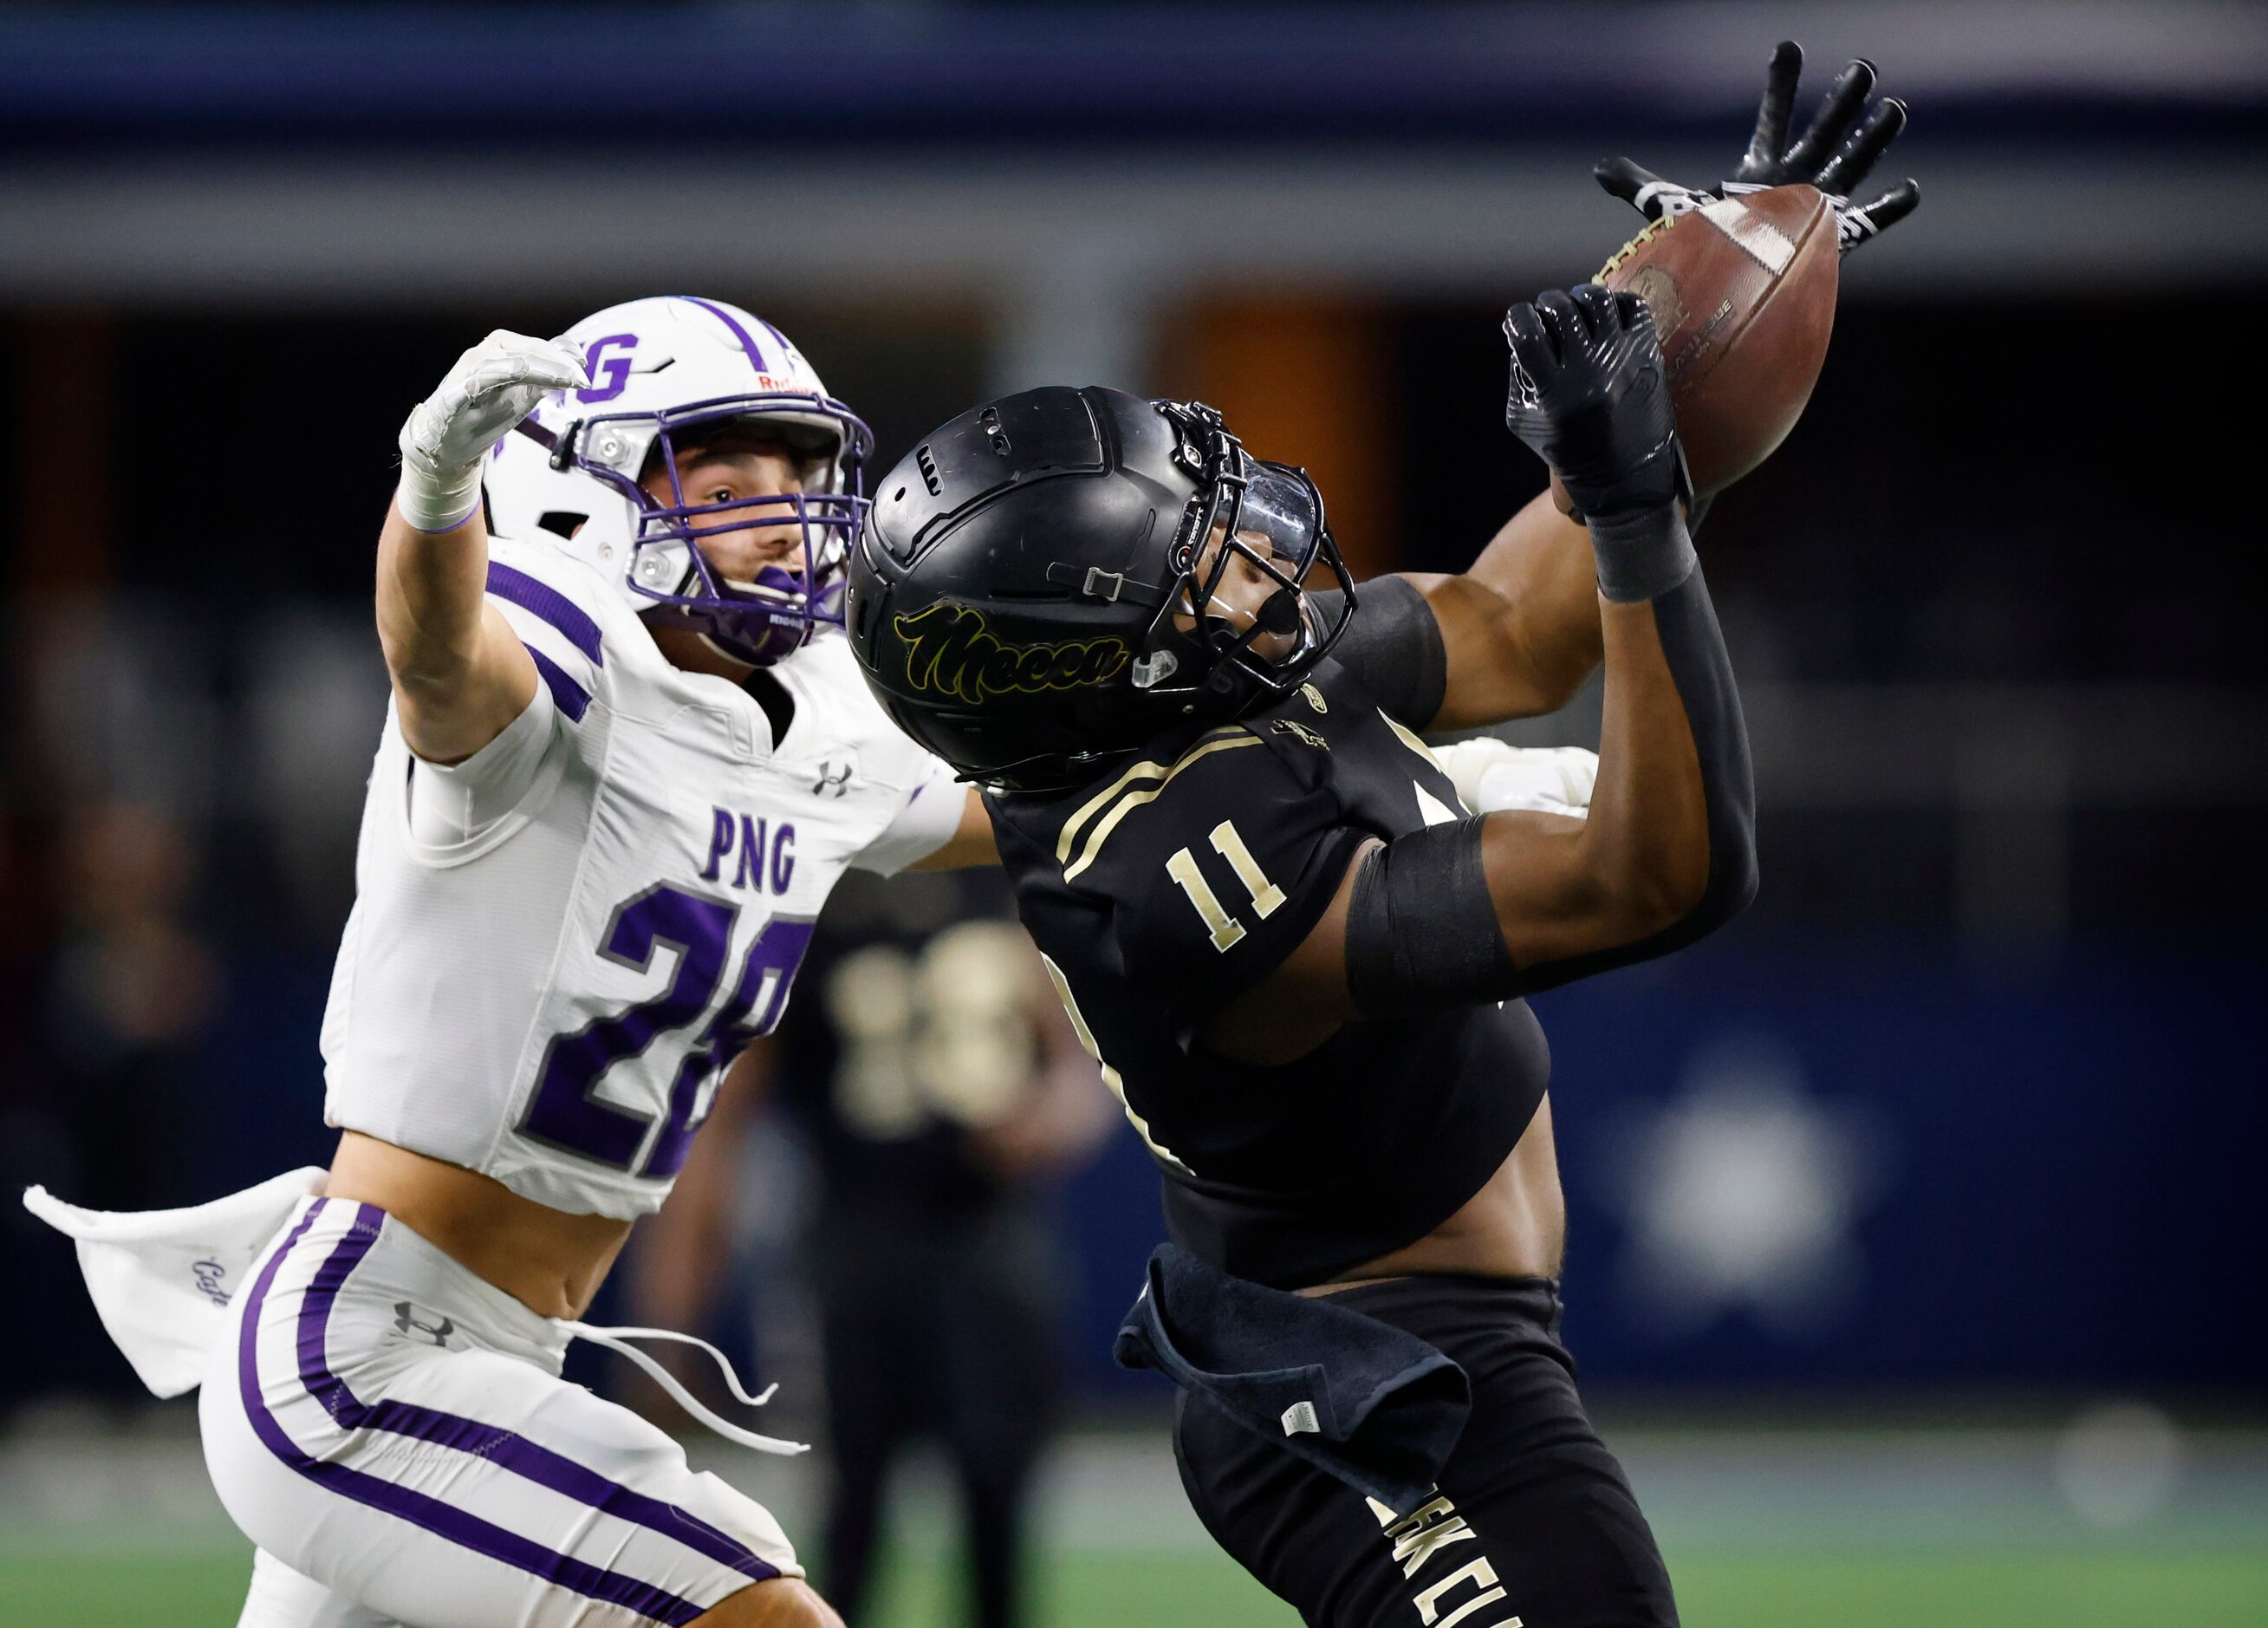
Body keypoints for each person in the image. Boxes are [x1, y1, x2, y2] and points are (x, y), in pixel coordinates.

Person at [844, 46, 1914, 1625]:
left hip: (1429, 1337)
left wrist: (1681, 331)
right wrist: (1625, 502)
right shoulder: (1174, 868)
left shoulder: (1189, 696)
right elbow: (1659, 872)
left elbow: (1513, 625)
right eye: (1193, 560)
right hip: (1370, 1389)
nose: (1255, 556)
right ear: (1106, 665)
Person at [30, 296, 1002, 1628]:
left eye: (802, 473)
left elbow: (1053, 813)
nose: (786, 513)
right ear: (582, 503)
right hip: (363, 1353)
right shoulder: (549, 678)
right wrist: (434, 498)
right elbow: (435, 658)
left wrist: (1276, 714)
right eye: (728, 480)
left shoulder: (809, 727)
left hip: (501, 1355)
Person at [634, 870, 1112, 1628]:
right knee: (849, 1509)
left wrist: (1044, 1123)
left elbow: (1079, 1070)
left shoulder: (998, 883)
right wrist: (674, 1310)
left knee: (996, 1494)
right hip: (849, 1243)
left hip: (986, 1235)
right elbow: (723, 1125)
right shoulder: (808, 903)